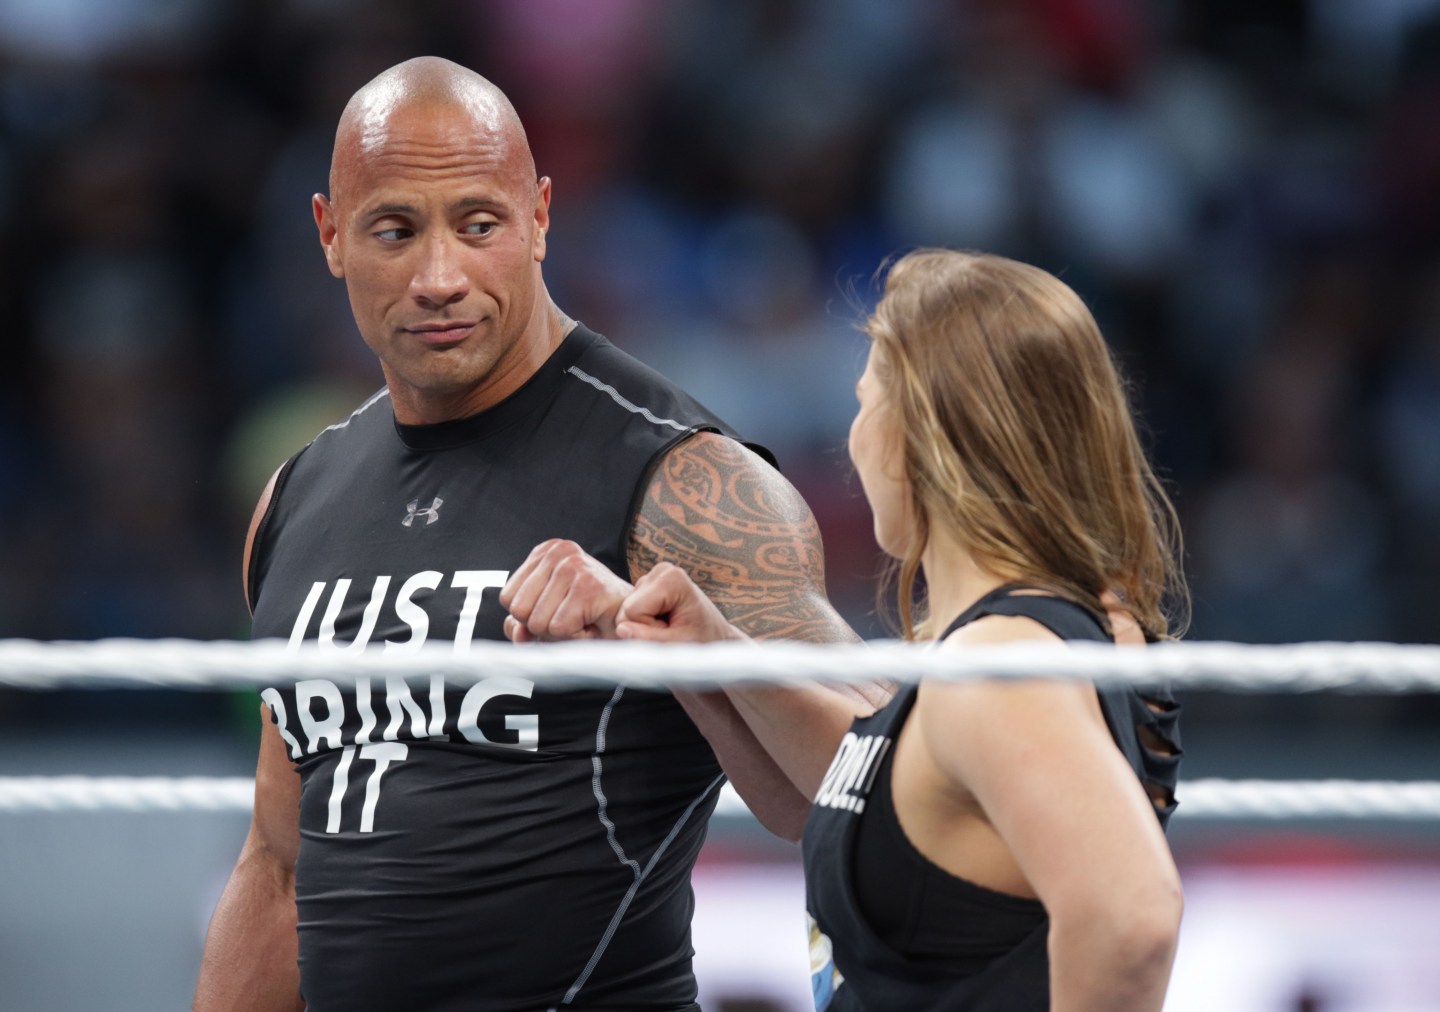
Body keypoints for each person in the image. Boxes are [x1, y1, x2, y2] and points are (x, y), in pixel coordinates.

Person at [192, 56, 880, 1012]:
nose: (440, 278)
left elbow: (887, 785)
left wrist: (704, 649)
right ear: (330, 235)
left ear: (541, 216)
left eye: (479, 226)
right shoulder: (296, 500)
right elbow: (277, 866)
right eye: (395, 230)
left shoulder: (683, 480)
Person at [609, 249, 1187, 1010]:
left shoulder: (1000, 664)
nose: (853, 439)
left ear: (922, 433)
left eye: (865, 401)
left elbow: (1133, 920)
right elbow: (865, 803)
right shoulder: (1044, 638)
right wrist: (712, 655)